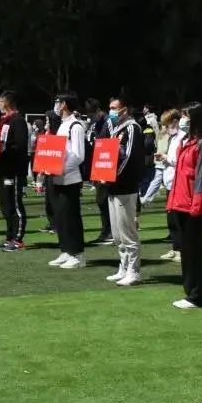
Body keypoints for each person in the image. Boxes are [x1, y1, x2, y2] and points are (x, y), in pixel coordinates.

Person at [169, 102, 202, 309]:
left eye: (186, 116)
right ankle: (190, 292)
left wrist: (197, 207)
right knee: (187, 252)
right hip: (181, 203)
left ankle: (197, 295)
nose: (182, 120)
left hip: (193, 207)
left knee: (196, 252)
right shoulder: (186, 142)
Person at [104, 96, 145, 286]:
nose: (111, 111)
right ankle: (123, 266)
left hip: (126, 187)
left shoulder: (132, 128)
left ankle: (134, 270)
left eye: (114, 108)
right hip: (113, 187)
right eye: (110, 108)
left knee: (127, 231)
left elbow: (128, 157)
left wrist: (113, 175)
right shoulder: (116, 129)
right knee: (117, 233)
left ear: (124, 110)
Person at [47, 92, 87, 269]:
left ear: (64, 104)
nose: (56, 105)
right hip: (57, 178)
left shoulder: (75, 126)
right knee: (60, 217)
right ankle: (66, 250)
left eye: (58, 102)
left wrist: (60, 168)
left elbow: (78, 155)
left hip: (70, 179)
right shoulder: (62, 125)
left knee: (71, 217)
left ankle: (77, 254)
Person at [0, 91, 30, 251]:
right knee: (5, 204)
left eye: (0, 101)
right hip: (3, 168)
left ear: (7, 102)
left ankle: (18, 239)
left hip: (14, 169)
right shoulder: (4, 121)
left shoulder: (18, 121)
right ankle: (9, 236)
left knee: (15, 204)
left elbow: (21, 146)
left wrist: (4, 149)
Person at [84, 98, 113, 245]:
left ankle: (109, 231)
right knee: (101, 200)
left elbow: (112, 143)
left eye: (92, 114)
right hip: (98, 164)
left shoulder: (108, 122)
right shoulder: (95, 124)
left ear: (98, 110)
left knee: (105, 200)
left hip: (107, 164)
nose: (90, 117)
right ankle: (106, 230)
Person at [157, 110, 185, 261]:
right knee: (171, 219)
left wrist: (166, 157)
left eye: (166, 125)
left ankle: (182, 250)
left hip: (178, 183)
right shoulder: (172, 138)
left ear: (175, 122)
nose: (165, 128)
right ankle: (175, 247)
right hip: (169, 182)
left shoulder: (183, 137)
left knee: (178, 219)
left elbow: (180, 160)